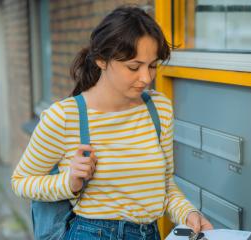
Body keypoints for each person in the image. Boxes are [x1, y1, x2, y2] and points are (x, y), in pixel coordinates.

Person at [11, 5, 212, 240]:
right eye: (134, 67)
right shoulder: (64, 117)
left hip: (149, 233)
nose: (146, 78)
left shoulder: (160, 109)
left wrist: (188, 213)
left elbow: (164, 186)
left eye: (153, 66)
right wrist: (69, 182)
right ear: (101, 60)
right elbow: (21, 182)